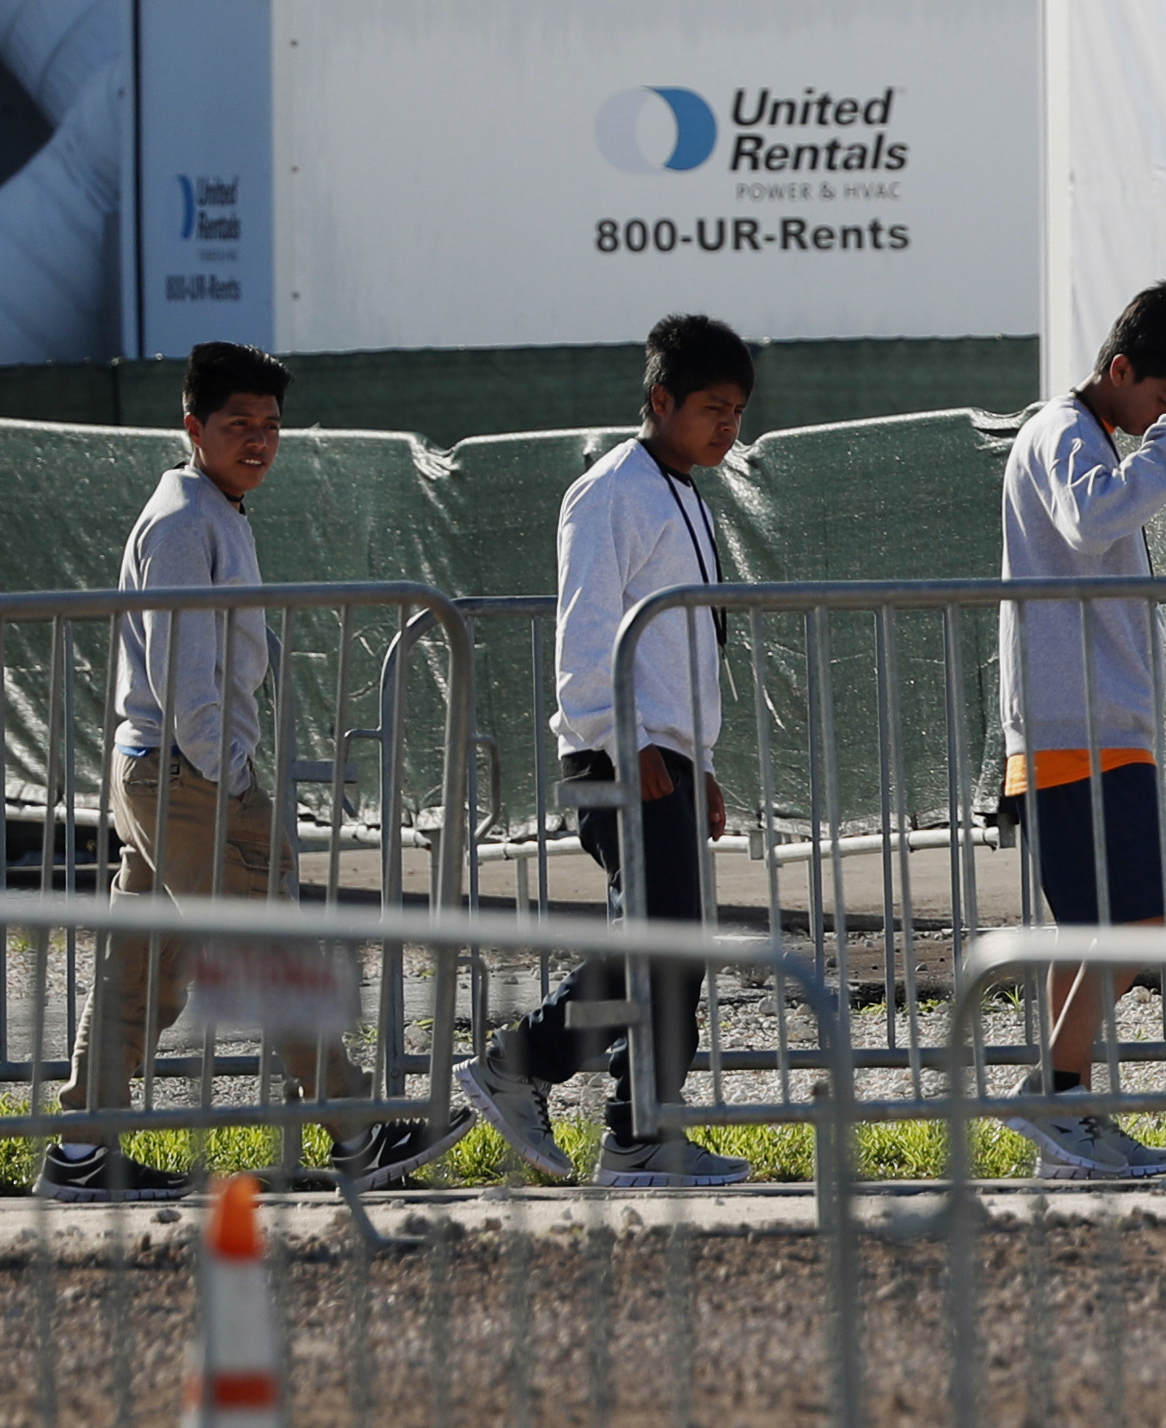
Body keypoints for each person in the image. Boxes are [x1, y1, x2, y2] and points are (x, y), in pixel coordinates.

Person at [42, 343, 471, 1204]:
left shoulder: (212, 509)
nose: (259, 440)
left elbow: (210, 651)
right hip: (188, 777)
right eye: (239, 424)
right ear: (192, 426)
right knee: (273, 949)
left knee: (144, 964)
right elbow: (184, 673)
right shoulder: (186, 520)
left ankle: (82, 1149)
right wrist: (230, 779)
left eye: (271, 425)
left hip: (165, 772)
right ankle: (355, 1131)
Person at [455, 315, 754, 1187]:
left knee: (668, 949)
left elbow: (680, 649)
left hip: (665, 757)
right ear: (659, 401)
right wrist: (627, 745)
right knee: (659, 945)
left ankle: (636, 1136)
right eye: (710, 407)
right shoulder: (610, 489)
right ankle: (525, 1069)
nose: (726, 425)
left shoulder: (685, 491)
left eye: (736, 409)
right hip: (617, 757)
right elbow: (586, 637)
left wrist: (698, 759)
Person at [989, 283, 1166, 1178]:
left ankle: (1065, 1114)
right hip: (1077, 728)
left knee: (1101, 928)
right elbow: (1093, 522)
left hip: (1090, 724)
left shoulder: (1074, 434)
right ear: (1120, 370)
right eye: (1163, 398)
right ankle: (1054, 1101)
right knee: (1141, 925)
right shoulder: (1061, 433)